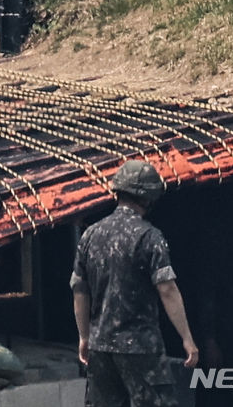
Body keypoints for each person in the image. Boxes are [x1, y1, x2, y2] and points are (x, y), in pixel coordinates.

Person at [70, 160, 199, 407]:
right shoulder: (149, 237)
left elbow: (79, 289)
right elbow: (167, 289)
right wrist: (187, 338)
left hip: (101, 346)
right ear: (148, 197)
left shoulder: (90, 235)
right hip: (140, 348)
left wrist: (84, 336)